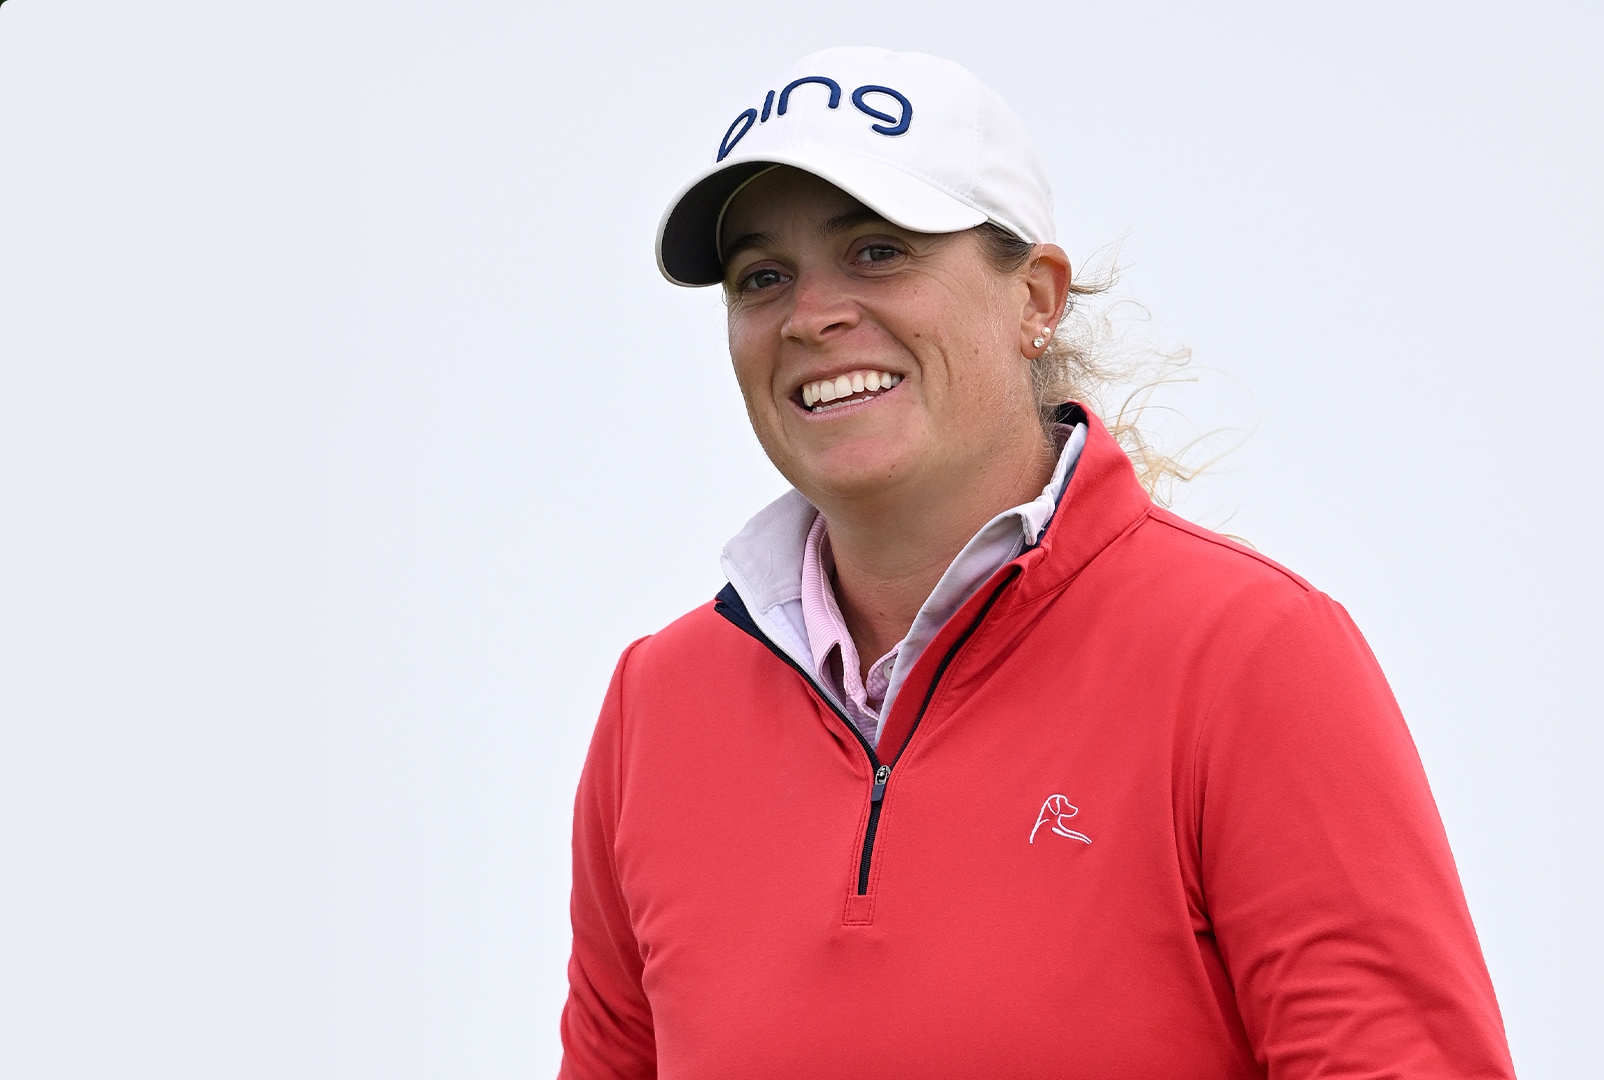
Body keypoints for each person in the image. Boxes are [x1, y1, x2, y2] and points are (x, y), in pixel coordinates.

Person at [558, 46, 1516, 1080]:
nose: (810, 315)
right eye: (762, 277)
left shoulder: (1247, 653)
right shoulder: (657, 704)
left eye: (878, 251)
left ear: (1037, 298)